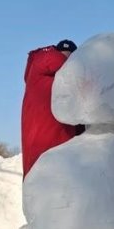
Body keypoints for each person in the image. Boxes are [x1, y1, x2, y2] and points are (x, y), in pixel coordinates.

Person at [21, 39, 84, 179]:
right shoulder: (44, 61)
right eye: (66, 56)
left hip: (54, 145)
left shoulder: (58, 80)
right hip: (45, 146)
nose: (67, 60)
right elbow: (56, 61)